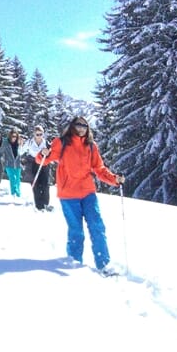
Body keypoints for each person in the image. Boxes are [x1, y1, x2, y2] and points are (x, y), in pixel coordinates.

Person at [36, 116, 125, 275]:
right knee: (76, 230)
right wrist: (42, 154)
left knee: (97, 227)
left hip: (88, 193)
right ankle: (74, 262)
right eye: (79, 125)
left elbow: (99, 169)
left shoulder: (91, 146)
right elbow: (44, 159)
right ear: (72, 126)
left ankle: (103, 264)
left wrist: (114, 180)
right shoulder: (61, 142)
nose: (82, 128)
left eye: (85, 125)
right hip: (68, 195)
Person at [24, 125, 52, 211]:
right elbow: (21, 151)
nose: (39, 136)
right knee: (35, 184)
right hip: (33, 164)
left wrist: (48, 153)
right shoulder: (29, 142)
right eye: (37, 134)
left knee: (45, 185)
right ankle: (38, 205)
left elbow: (51, 154)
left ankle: (45, 203)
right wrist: (21, 145)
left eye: (41, 134)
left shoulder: (46, 143)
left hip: (43, 164)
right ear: (34, 134)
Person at [1, 128, 24, 197]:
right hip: (9, 164)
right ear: (10, 136)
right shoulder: (6, 143)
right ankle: (13, 193)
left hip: (17, 164)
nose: (14, 138)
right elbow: (1, 151)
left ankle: (18, 193)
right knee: (12, 178)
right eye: (13, 136)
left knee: (17, 179)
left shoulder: (18, 143)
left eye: (15, 136)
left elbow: (21, 153)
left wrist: (21, 145)